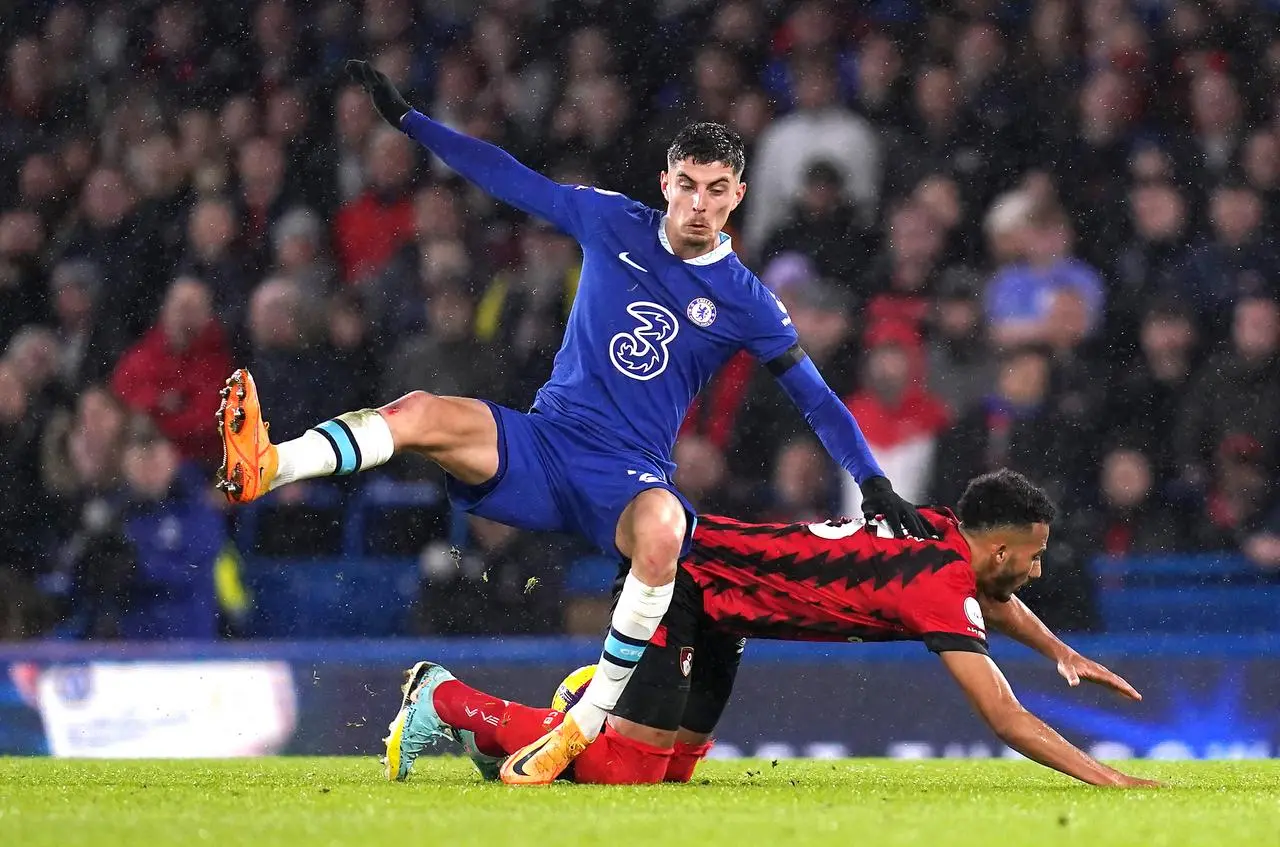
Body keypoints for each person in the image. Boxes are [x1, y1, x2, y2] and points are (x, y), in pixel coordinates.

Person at [211, 60, 930, 786]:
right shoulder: (611, 218)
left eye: (717, 190)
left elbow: (816, 396)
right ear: (666, 182)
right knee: (421, 410)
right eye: (688, 185)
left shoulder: (747, 299)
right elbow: (506, 175)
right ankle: (270, 464)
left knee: (663, 529)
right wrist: (409, 121)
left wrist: (871, 480)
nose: (699, 204)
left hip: (623, 474)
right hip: (545, 440)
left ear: (738, 194)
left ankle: (578, 726)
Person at [386, 470, 1159, 789]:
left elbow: (993, 598)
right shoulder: (939, 583)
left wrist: (1060, 650)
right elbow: (1004, 716)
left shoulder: (937, 533)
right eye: (1031, 556)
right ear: (997, 547)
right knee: (625, 773)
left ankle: (560, 722)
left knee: (668, 774)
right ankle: (446, 699)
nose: (1036, 570)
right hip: (689, 579)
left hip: (729, 607)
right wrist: (1109, 778)